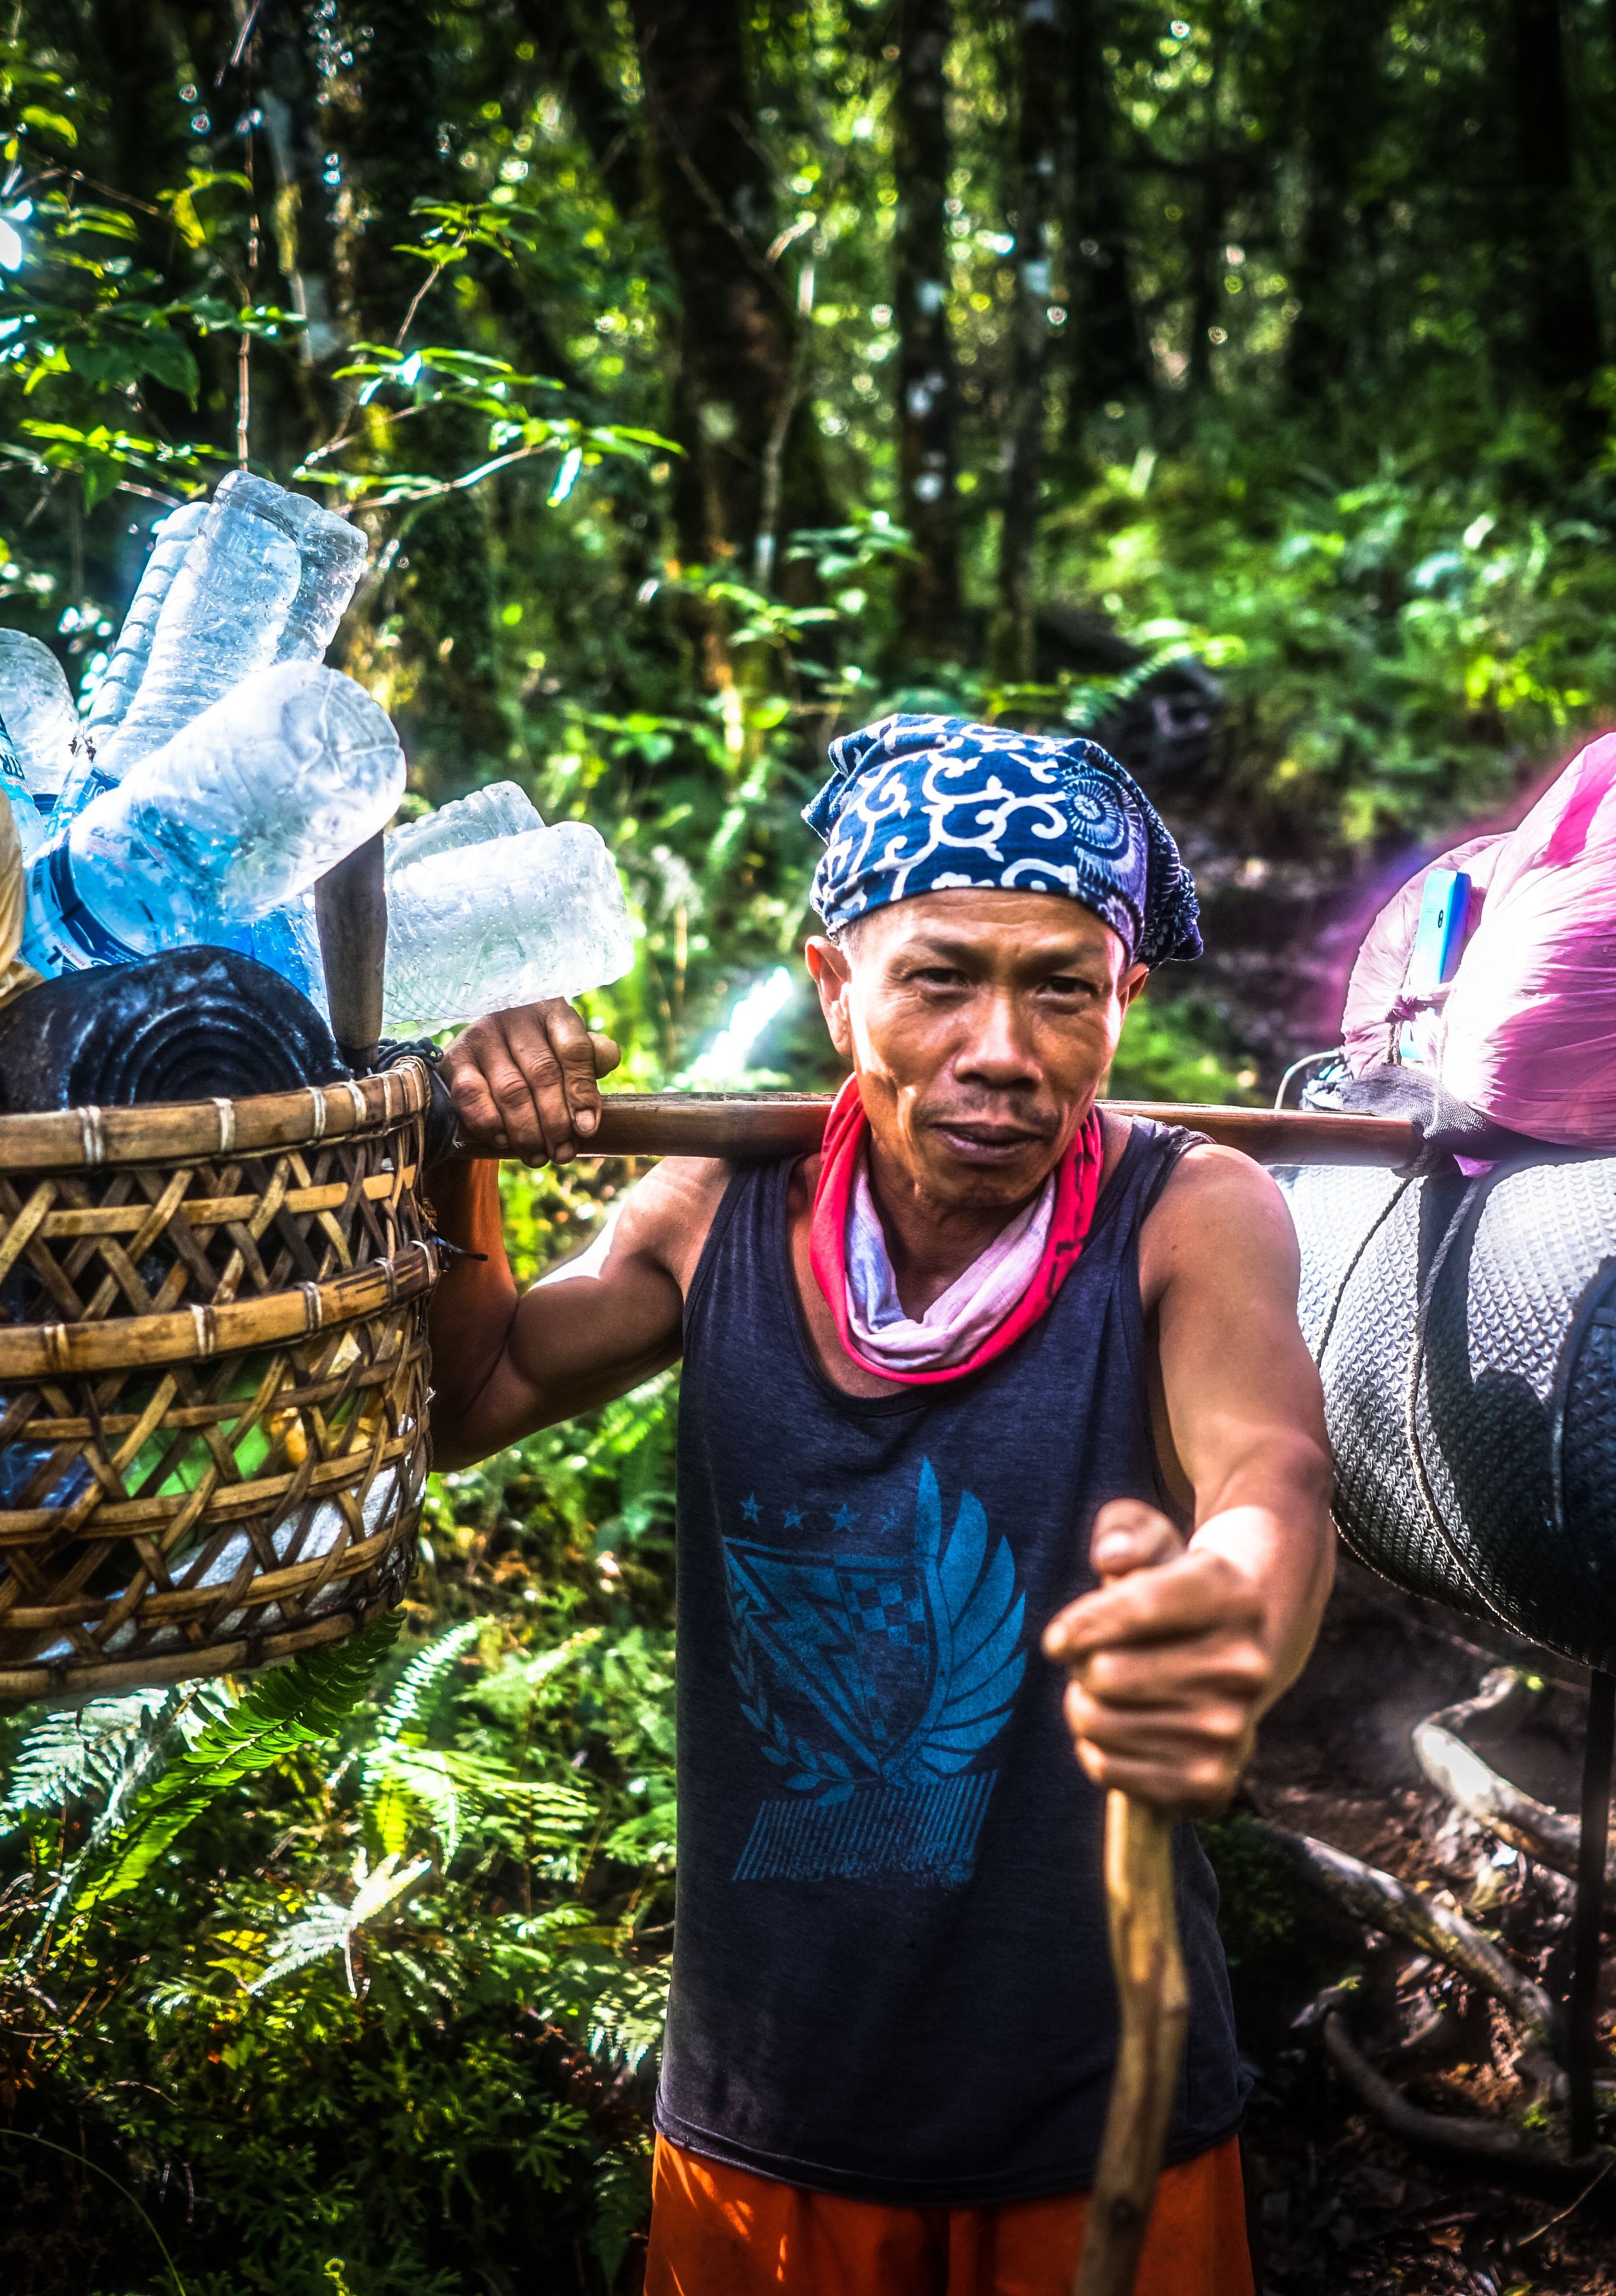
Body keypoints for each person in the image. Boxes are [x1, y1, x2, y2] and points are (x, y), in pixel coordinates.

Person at [423, 715, 1334, 2295]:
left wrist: (1232, 1621)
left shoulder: (1186, 1215)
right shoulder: (716, 1214)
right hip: (771, 2102)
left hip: (1096, 2105)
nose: (1001, 1045)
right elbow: (468, 1397)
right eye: (937, 979)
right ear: (837, 986)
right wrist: (457, 1144)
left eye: (1060, 986)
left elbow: (1269, 1468)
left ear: (1125, 1000)